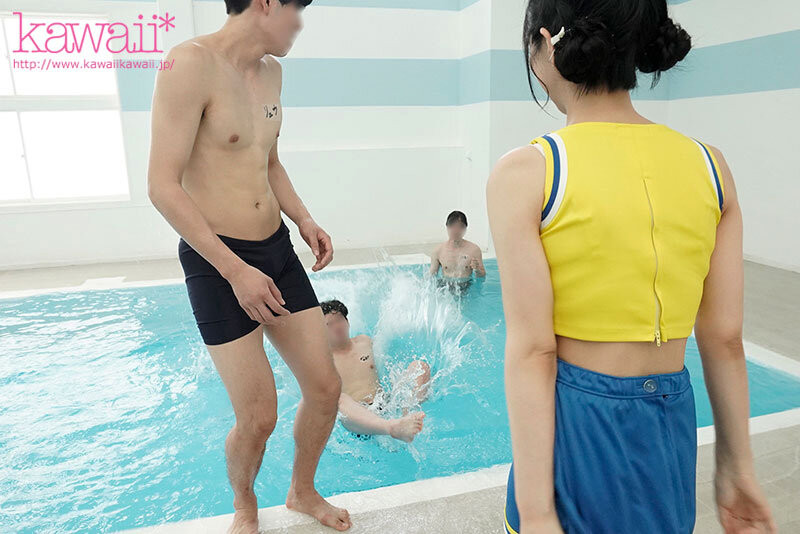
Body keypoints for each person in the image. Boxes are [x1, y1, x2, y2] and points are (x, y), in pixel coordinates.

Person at [486, 1, 776, 533]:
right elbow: (724, 338)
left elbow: (533, 350)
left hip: (578, 425)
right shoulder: (711, 166)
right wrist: (737, 470)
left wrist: (538, 512)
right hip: (669, 427)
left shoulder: (530, 171)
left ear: (547, 43)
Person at [147, 0, 352, 532]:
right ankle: (245, 504)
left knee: (326, 389)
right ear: (264, 4)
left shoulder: (272, 73)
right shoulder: (187, 64)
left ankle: (302, 491)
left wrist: (303, 219)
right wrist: (235, 271)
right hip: (217, 262)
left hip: (276, 251)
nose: (300, 23)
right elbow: (162, 186)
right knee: (259, 417)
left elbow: (269, 160)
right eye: (296, 10)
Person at [321, 300, 430, 442]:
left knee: (420, 366)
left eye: (339, 320)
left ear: (347, 322)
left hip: (385, 406)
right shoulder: (324, 361)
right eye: (329, 324)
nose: (337, 327)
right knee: (339, 399)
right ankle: (391, 427)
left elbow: (387, 366)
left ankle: (406, 418)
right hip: (359, 420)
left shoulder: (364, 341)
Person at [429, 211, 486, 287]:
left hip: (465, 286)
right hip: (445, 286)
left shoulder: (474, 250)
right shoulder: (438, 251)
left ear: (465, 228)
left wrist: (477, 268)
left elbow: (482, 276)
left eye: (460, 227)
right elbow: (432, 276)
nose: (456, 230)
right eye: (452, 226)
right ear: (447, 227)